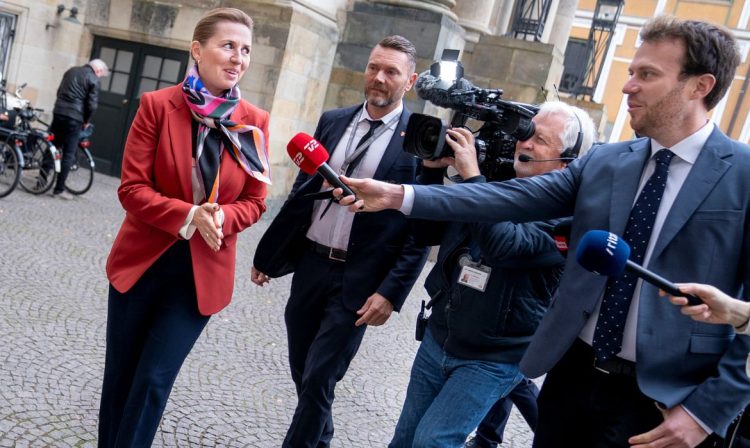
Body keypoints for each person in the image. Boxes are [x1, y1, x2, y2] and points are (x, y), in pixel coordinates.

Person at [341, 15, 750, 447]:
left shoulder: (742, 176)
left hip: (662, 403)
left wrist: (706, 413)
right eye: (630, 72)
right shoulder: (608, 162)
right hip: (572, 377)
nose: (629, 86)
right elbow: (506, 200)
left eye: (647, 75)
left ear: (699, 86)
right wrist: (399, 195)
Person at [101, 8, 270, 447]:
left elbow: (254, 201)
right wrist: (187, 214)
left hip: (200, 274)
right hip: (142, 262)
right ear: (198, 50)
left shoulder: (254, 122)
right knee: (121, 376)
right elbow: (132, 189)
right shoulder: (157, 106)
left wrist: (222, 216)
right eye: (228, 45)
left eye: (246, 49)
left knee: (154, 380)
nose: (238, 58)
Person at [251, 35, 428, 448]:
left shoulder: (419, 144)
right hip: (312, 266)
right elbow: (301, 196)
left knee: (319, 376)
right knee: (303, 370)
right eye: (373, 67)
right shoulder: (333, 120)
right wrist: (270, 256)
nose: (378, 79)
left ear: (410, 80)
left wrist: (391, 293)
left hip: (360, 280)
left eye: (391, 72)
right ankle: (322, 437)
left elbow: (420, 232)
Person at [388, 101, 596, 448]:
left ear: (567, 161)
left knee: (432, 442)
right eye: (524, 135)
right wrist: (430, 171)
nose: (524, 144)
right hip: (441, 336)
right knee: (404, 440)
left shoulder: (570, 218)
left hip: (494, 357)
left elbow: (506, 246)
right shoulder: (495, 184)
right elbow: (427, 235)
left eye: (539, 140)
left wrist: (473, 180)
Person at [50, 58, 108, 198]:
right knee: (69, 153)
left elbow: (59, 91)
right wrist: (86, 121)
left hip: (59, 112)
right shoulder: (93, 79)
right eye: (101, 74)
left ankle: (41, 182)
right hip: (75, 118)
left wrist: (60, 107)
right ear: (98, 70)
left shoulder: (71, 71)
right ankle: (59, 188)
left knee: (52, 146)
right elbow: (92, 105)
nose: (100, 76)